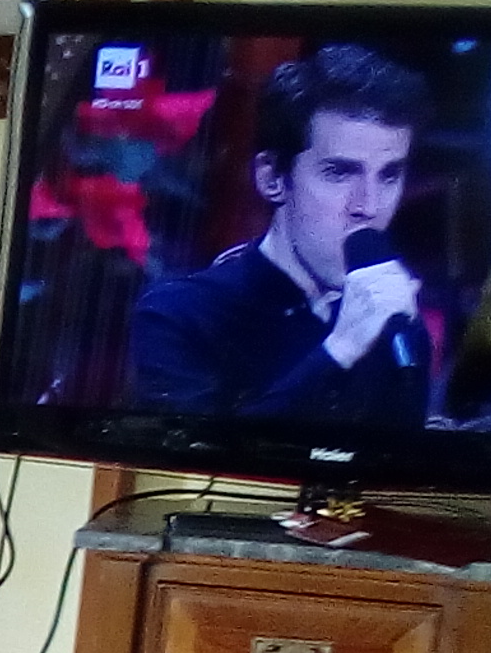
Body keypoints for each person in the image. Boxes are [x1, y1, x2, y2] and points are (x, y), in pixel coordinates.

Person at [128, 43, 435, 424]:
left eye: (389, 175)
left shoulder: (400, 331)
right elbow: (199, 453)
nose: (368, 205)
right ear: (272, 178)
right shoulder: (179, 316)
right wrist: (341, 349)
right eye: (339, 173)